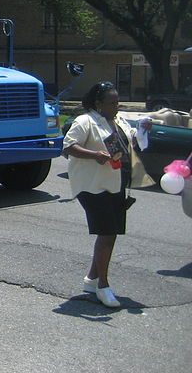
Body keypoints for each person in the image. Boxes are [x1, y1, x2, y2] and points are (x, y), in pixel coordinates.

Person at [62, 81, 151, 308]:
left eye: (117, 102)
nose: (116, 106)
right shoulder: (86, 121)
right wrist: (94, 155)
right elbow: (68, 146)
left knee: (110, 233)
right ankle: (103, 285)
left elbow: (130, 140)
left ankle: (91, 280)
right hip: (92, 186)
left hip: (115, 183)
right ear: (98, 103)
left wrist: (142, 129)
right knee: (107, 233)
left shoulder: (117, 121)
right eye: (111, 103)